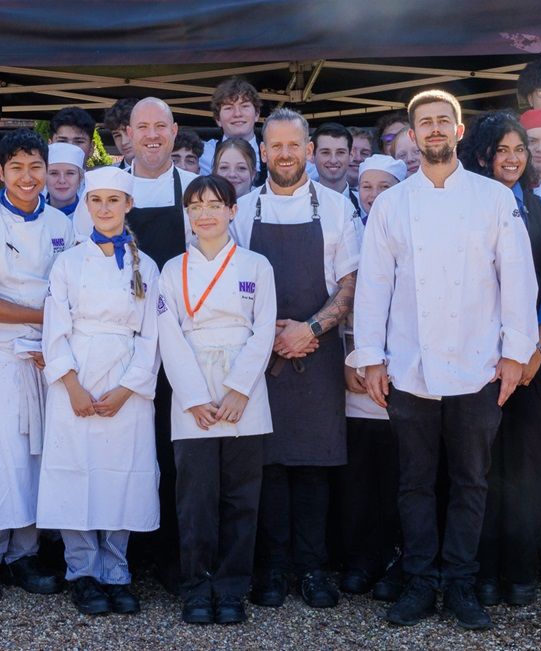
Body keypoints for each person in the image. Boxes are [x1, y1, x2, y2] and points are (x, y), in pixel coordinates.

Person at [350, 90, 539, 631]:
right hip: (409, 365)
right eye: (423, 124)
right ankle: (418, 581)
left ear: (458, 132)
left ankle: (460, 581)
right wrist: (370, 357)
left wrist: (513, 354)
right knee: (413, 482)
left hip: (479, 365)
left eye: (443, 122)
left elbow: (517, 280)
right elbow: (374, 288)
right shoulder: (392, 204)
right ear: (412, 136)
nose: (433, 130)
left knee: (471, 481)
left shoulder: (493, 199)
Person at [232, 107, 359, 610]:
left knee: (313, 466)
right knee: (268, 466)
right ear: (263, 152)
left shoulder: (336, 208)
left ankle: (311, 568)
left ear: (308, 150)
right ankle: (274, 568)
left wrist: (309, 328)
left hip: (317, 353)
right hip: (258, 354)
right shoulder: (242, 211)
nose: (284, 154)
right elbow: (228, 283)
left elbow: (350, 284)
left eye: (293, 146)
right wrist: (270, 335)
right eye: (275, 146)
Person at [74, 98, 199, 590]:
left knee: (175, 455)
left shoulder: (193, 192)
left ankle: (170, 557)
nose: (151, 135)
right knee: (118, 453)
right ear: (126, 133)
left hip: (182, 343)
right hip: (116, 352)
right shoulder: (106, 190)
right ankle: (117, 556)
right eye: (141, 127)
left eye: (160, 127)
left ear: (174, 132)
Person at [458, 111, 541, 608]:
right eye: (502, 150)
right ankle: (481, 570)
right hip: (476, 360)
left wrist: (536, 352)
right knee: (477, 467)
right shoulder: (463, 208)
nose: (512, 158)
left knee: (526, 466)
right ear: (483, 155)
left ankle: (520, 570)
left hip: (532, 363)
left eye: (519, 150)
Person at [0, 128, 72, 602]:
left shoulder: (65, 228)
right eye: (17, 168)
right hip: (0, 360)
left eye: (36, 167)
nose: (28, 177)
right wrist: (43, 316)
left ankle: (22, 554)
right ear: (1, 172)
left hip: (50, 360)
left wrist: (54, 333)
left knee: (39, 459)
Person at [39, 166, 161, 616]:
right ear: (86, 206)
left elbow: (151, 336)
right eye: (96, 201)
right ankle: (83, 572)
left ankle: (116, 569)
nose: (104, 209)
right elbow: (55, 328)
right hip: (77, 376)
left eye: (114, 200)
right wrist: (71, 385)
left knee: (119, 475)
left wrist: (128, 389)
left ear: (128, 205)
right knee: (76, 472)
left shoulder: (146, 266)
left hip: (125, 380)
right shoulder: (68, 263)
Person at [157, 175, 276, 625]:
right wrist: (193, 397)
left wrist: (239, 389)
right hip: (194, 394)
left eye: (214, 204)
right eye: (196, 206)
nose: (205, 213)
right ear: (187, 215)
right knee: (195, 498)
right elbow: (169, 337)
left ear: (232, 211)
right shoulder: (172, 270)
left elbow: (264, 329)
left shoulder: (256, 266)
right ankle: (197, 586)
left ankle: (231, 588)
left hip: (244, 391)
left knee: (241, 497)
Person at [335, 153, 407, 602]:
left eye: (384, 187)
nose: (374, 195)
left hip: (404, 371)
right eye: (367, 186)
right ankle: (359, 560)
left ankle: (395, 560)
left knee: (400, 477)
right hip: (355, 371)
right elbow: (343, 297)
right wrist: (351, 360)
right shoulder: (348, 228)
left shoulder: (410, 226)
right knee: (358, 476)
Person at [199, 77, 262, 178]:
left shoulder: (271, 152)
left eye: (244, 106)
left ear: (257, 114)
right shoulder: (202, 154)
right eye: (228, 108)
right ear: (218, 119)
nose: (237, 114)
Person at [313, 123, 358, 218]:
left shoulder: (365, 204)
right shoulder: (299, 205)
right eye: (325, 152)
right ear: (312, 156)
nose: (333, 160)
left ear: (351, 156)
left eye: (340, 152)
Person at [46, 142, 86, 215]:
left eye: (70, 173)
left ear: (80, 178)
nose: (62, 180)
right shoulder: (32, 217)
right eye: (54, 173)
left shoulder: (92, 219)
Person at [103, 98, 139, 169]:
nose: (124, 142)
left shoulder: (166, 174)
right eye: (117, 135)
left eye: (128, 132)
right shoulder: (106, 177)